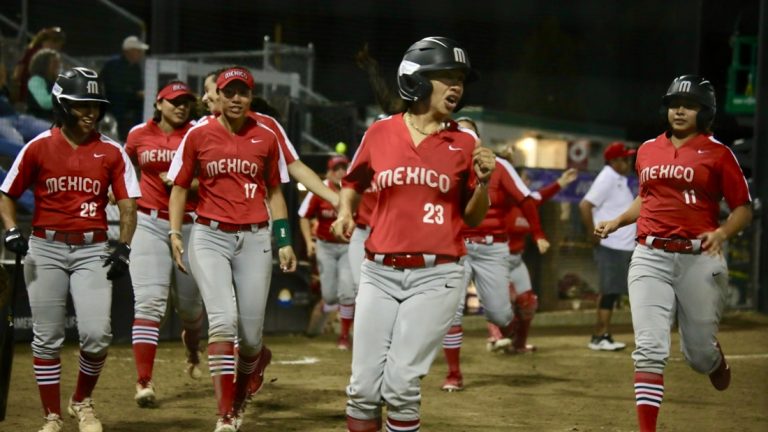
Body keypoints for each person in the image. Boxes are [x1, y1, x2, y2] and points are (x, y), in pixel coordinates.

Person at [333, 36, 495, 431]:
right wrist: (344, 213)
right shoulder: (380, 132)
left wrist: (484, 184)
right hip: (378, 272)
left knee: (401, 384)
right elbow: (353, 182)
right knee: (362, 389)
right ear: (416, 80)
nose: (456, 86)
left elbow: (473, 217)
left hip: (437, 275)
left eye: (460, 79)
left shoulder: (466, 141)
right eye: (445, 76)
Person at [595, 75, 751, 432]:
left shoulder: (719, 153)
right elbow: (646, 196)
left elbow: (742, 207)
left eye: (690, 104)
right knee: (650, 347)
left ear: (705, 111)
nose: (679, 110)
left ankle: (713, 359)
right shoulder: (648, 149)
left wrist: (723, 232)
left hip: (700, 258)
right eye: (674, 103)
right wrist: (619, 220)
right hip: (650, 256)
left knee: (698, 356)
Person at [0, 67, 139, 432]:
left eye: (95, 104)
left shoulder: (112, 151)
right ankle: (52, 416)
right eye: (81, 104)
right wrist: (12, 230)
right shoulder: (38, 147)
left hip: (92, 250)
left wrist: (123, 247)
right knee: (46, 337)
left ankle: (81, 401)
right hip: (44, 248)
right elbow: (7, 194)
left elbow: (127, 206)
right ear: (61, 104)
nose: (90, 111)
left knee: (96, 334)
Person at [167, 66, 297, 432]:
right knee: (223, 321)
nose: (236, 98)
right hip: (209, 236)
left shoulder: (266, 137)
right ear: (218, 97)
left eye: (243, 92)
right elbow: (178, 188)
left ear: (250, 96)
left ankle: (248, 378)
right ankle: (225, 414)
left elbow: (275, 192)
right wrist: (176, 233)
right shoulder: (198, 135)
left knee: (252, 338)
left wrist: (284, 240)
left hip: (255, 237)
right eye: (229, 92)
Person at [440, 117, 550, 392]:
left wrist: (538, 234)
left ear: (477, 139)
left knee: (501, 316)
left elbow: (527, 199)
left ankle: (511, 332)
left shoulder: (500, 166)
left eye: (468, 131)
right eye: (458, 131)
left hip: (492, 248)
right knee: (451, 314)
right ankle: (454, 374)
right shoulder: (441, 164)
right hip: (457, 245)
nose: (462, 135)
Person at [124, 80, 204, 408]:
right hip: (149, 221)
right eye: (174, 101)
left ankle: (191, 346)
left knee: (189, 308)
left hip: (190, 225)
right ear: (159, 103)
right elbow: (125, 168)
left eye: (185, 101)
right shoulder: (137, 134)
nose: (180, 106)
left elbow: (212, 178)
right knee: (149, 303)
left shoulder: (199, 133)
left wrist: (187, 181)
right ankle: (144, 381)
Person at [201, 68, 339, 207]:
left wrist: (335, 199)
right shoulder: (200, 129)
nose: (204, 98)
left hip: (256, 218)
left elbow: (296, 168)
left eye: (207, 90)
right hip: (209, 221)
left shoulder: (266, 126)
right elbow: (182, 180)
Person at [485, 166, 578, 354]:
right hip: (496, 259)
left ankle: (519, 344)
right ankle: (497, 337)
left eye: (526, 180)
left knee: (528, 302)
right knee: (502, 300)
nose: (525, 183)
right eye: (522, 179)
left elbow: (542, 195)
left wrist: (561, 182)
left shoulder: (527, 203)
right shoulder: (502, 201)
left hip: (516, 260)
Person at [579, 141, 637, 351]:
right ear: (613, 161)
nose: (628, 162)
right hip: (611, 245)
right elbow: (585, 205)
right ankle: (599, 335)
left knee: (613, 292)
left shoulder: (617, 178)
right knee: (609, 291)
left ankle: (602, 334)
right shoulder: (608, 177)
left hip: (621, 245)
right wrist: (592, 234)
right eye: (624, 158)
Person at [298, 154, 355, 349]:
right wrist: (308, 242)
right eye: (336, 169)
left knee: (347, 292)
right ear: (329, 172)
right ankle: (328, 310)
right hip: (325, 246)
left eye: (343, 168)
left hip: (348, 247)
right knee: (330, 296)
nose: (340, 172)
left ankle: (344, 337)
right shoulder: (320, 190)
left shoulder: (353, 189)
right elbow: (303, 216)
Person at [100, 36, 149, 140]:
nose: (141, 54)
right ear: (129, 51)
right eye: (138, 51)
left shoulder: (135, 68)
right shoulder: (113, 65)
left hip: (130, 106)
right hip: (114, 106)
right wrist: (135, 93)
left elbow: (137, 88)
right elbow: (114, 88)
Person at [12, 26, 65, 103]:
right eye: (58, 45)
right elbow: (19, 70)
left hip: (36, 89)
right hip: (32, 89)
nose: (58, 48)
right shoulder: (35, 53)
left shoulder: (33, 51)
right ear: (51, 41)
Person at [26, 48, 61, 122]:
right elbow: (46, 103)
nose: (58, 66)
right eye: (54, 62)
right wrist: (60, 86)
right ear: (43, 64)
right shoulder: (35, 80)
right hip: (39, 120)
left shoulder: (54, 81)